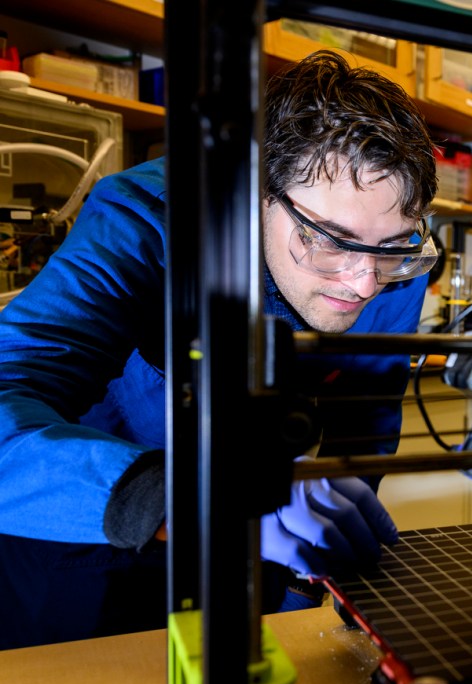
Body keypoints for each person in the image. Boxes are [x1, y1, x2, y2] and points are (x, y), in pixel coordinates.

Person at [0, 50, 438, 649]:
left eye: (390, 248)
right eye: (331, 242)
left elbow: (363, 430)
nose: (363, 282)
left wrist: (305, 584)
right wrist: (183, 496)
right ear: (258, 191)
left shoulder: (393, 260)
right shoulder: (147, 219)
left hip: (256, 539)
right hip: (89, 533)